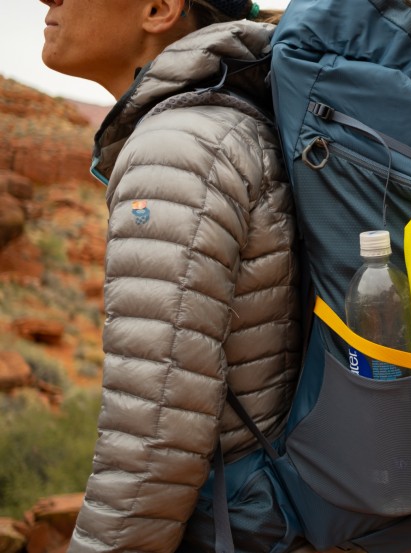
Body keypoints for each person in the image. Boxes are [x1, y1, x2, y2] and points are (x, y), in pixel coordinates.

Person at [38, 0, 303, 551]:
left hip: (237, 530)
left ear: (159, 9)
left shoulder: (177, 147)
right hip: (284, 512)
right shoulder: (231, 120)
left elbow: (154, 437)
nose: (47, 1)